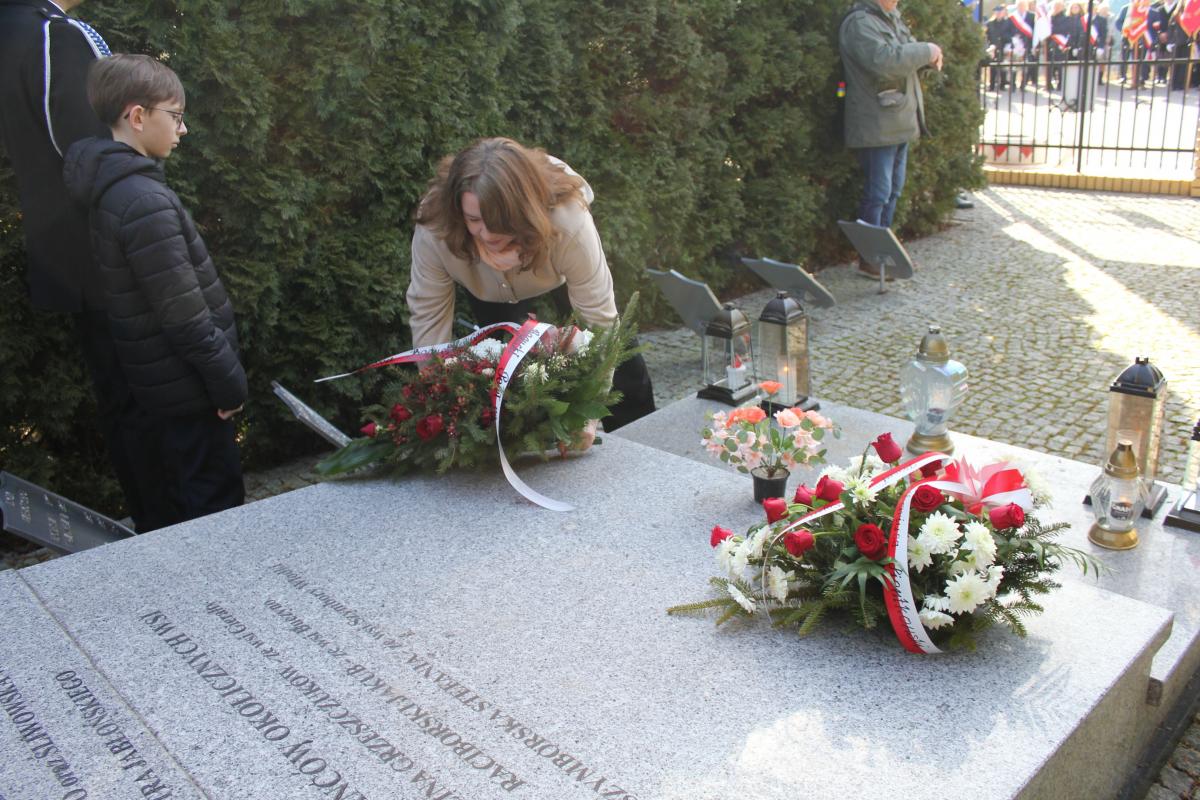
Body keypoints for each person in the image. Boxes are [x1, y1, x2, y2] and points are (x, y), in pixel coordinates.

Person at [62, 54, 247, 530]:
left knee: (180, 507)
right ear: (138, 116)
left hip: (163, 391)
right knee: (214, 511)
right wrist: (228, 385)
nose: (183, 129)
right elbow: (184, 317)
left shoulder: (116, 188)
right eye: (176, 116)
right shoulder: (144, 202)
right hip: (189, 393)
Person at [0, 0, 156, 527]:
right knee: (149, 398)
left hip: (72, 255)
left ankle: (156, 524)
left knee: (123, 401)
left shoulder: (12, 28)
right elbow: (94, 155)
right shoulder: (57, 36)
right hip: (109, 251)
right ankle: (177, 530)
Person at [406, 137, 655, 431]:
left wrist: (588, 416)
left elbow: (600, 322)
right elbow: (429, 319)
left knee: (625, 371)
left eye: (498, 220)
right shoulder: (435, 228)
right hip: (489, 293)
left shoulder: (569, 220)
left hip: (555, 272)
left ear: (523, 210)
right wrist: (441, 399)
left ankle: (641, 441)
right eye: (474, 219)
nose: (487, 234)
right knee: (506, 372)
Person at [838, 0, 943, 277]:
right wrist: (927, 51)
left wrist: (927, 59)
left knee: (892, 191)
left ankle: (884, 255)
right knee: (878, 193)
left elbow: (903, 54)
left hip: (897, 121)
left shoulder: (889, 16)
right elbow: (884, 61)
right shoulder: (860, 22)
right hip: (877, 124)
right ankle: (870, 257)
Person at [986, 5, 1014, 91]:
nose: (998, 14)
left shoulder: (1008, 22)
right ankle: (992, 85)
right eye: (997, 12)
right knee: (993, 67)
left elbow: (1011, 34)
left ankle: (1002, 84)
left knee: (1003, 67)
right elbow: (988, 35)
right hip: (993, 47)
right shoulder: (990, 23)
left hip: (1003, 46)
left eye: (1000, 12)